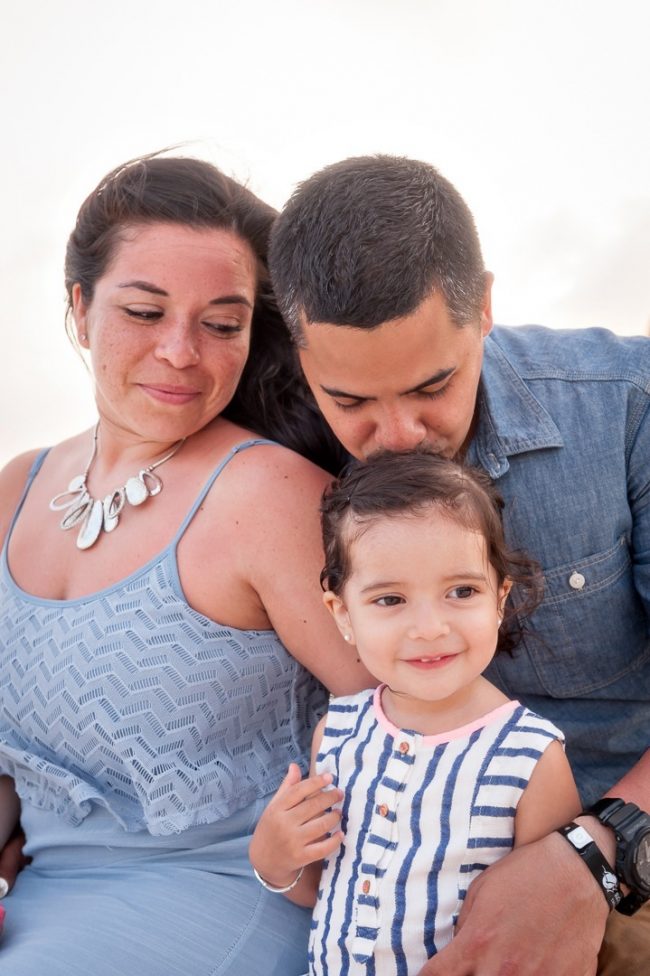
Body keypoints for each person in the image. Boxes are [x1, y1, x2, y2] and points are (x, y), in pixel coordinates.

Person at [267, 154, 650, 975]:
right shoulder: (284, 462)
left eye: (431, 385)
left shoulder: (627, 406)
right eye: (352, 403)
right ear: (302, 359)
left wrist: (595, 853)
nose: (398, 434)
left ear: (482, 305)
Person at [0, 153, 370, 974]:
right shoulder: (16, 489)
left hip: (236, 890)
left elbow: (410, 708)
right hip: (40, 895)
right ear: (79, 308)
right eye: (144, 310)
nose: (180, 352)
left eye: (221, 323)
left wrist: (311, 867)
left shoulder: (268, 495)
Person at [250, 451, 582, 974]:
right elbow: (322, 891)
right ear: (342, 614)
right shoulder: (337, 732)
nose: (429, 627)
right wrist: (273, 858)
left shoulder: (530, 756)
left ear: (499, 599)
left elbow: (550, 924)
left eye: (461, 591)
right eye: (389, 600)